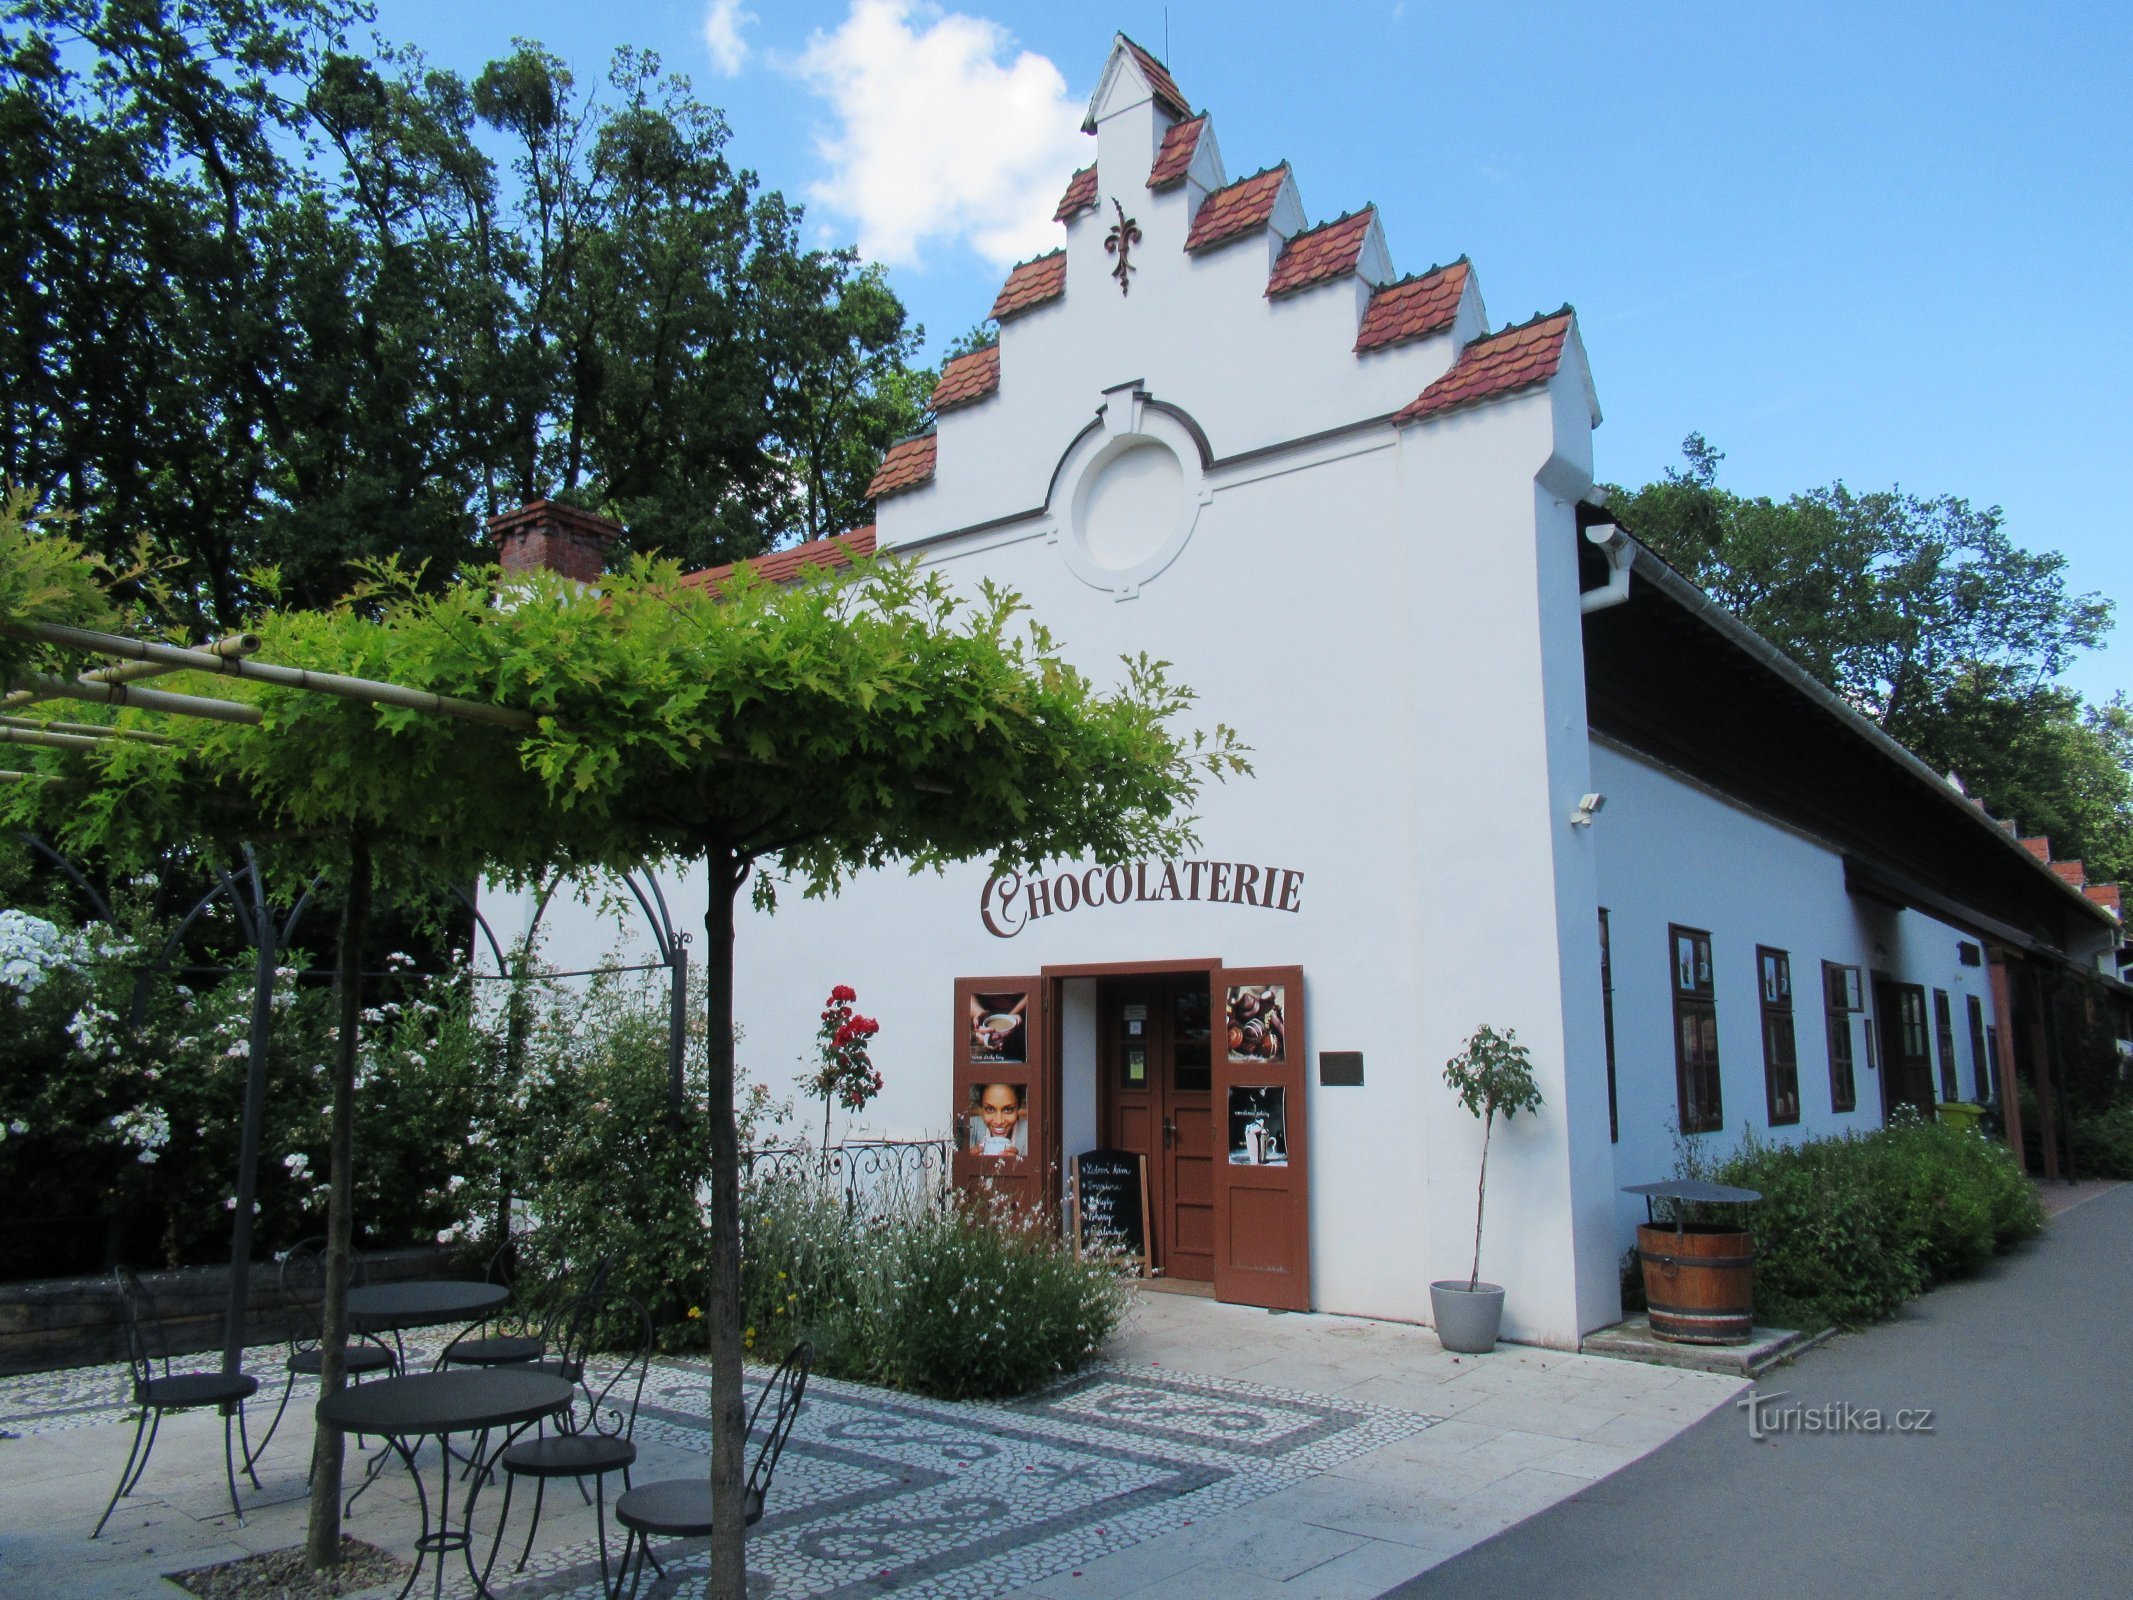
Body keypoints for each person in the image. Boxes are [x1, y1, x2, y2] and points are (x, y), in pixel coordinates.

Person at [969, 1082, 1026, 1157]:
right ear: (981, 1108)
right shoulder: (969, 1127)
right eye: (989, 1109)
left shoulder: (1030, 1133)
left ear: (1018, 1108)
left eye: (1008, 1110)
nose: (998, 1121)